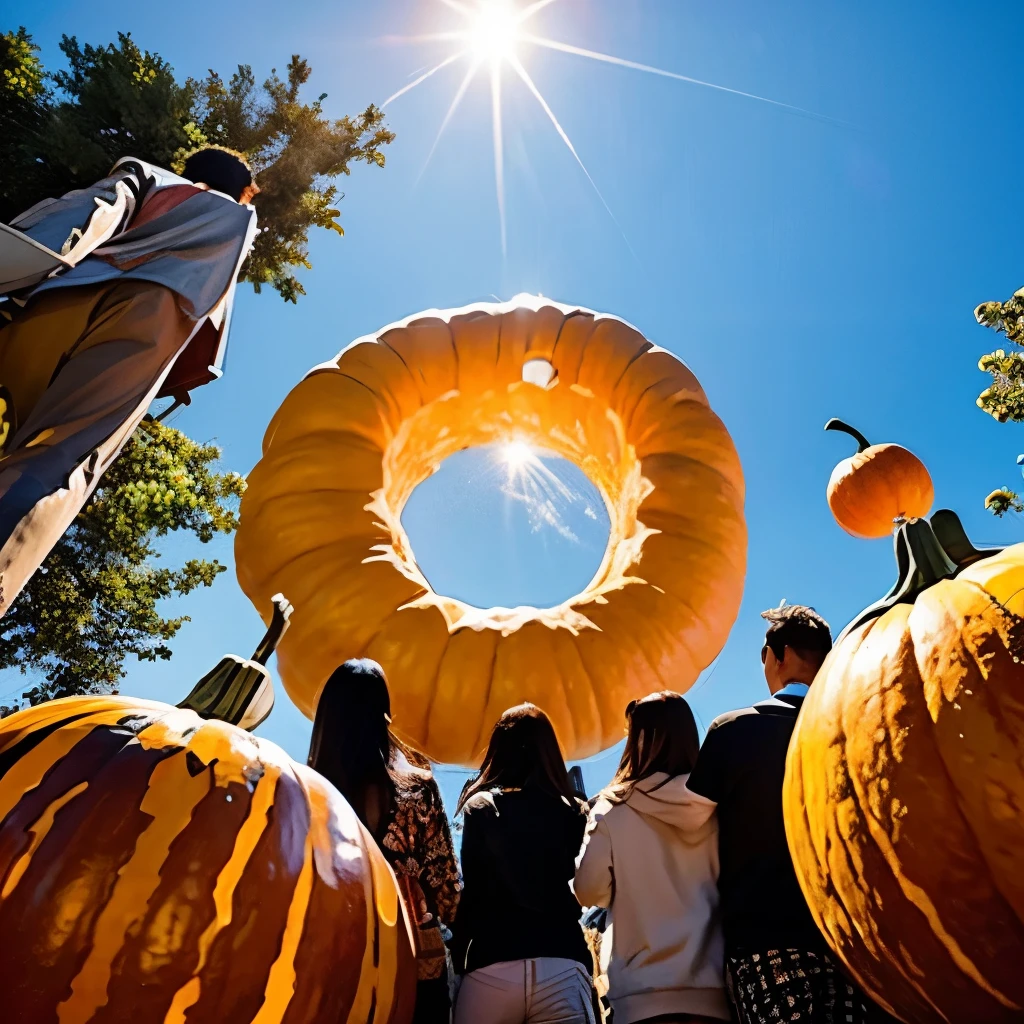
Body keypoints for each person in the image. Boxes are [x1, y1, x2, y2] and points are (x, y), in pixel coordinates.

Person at [0, 147, 259, 616]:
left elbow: (98, 206)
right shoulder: (238, 221)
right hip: (151, 319)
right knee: (57, 458)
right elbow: (208, 325)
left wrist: (25, 260)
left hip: (64, 291)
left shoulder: (151, 176)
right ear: (242, 189)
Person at [686, 604, 885, 1024]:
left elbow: (689, 827)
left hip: (765, 945)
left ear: (782, 656)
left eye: (764, 655)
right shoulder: (860, 731)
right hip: (858, 948)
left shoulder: (734, 731)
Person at [307, 659, 461, 1024]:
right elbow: (448, 894)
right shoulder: (420, 791)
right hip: (412, 968)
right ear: (384, 715)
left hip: (334, 966)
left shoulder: (310, 798)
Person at [574, 691, 730, 1024]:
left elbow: (587, 891)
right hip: (713, 996)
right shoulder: (719, 807)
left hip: (639, 999)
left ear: (638, 741)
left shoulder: (612, 809)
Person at [450, 703, 595, 1024]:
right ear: (549, 751)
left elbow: (470, 898)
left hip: (491, 967)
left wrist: (457, 963)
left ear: (498, 751)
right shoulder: (576, 811)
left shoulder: (481, 808)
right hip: (562, 963)